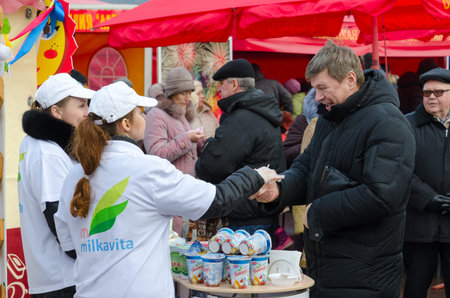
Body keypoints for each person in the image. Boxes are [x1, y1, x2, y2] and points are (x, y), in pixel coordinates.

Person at [53, 81, 281, 298]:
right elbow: (215, 201)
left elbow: (69, 246)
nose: (145, 117)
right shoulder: (148, 169)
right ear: (126, 124)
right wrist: (254, 175)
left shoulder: (74, 175)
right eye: (141, 113)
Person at [253, 41, 415, 297]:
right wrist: (280, 189)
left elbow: (382, 196)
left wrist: (317, 212)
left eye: (322, 88)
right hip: (328, 267)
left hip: (366, 275)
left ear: (351, 79)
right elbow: (307, 167)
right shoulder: (332, 116)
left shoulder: (388, 122)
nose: (317, 97)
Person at [18, 73, 95, 297]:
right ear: (56, 111)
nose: (87, 112)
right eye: (81, 105)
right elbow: (55, 214)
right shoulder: (47, 151)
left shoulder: (37, 143)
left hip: (51, 276)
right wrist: (89, 254)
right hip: (63, 278)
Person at [195, 58, 286, 243]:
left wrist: (208, 146)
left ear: (234, 84)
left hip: (245, 217)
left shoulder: (241, 118)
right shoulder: (261, 112)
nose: (218, 89)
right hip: (262, 212)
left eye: (221, 84)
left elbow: (210, 167)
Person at [403, 67, 450, 298]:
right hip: (419, 225)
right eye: (426, 93)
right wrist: (427, 197)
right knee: (415, 287)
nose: (431, 97)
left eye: (439, 92)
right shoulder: (407, 125)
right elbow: (401, 170)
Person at [144, 67, 204, 236]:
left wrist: (201, 142)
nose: (188, 97)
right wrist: (187, 139)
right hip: (170, 195)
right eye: (183, 93)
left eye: (190, 92)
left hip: (184, 195)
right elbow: (156, 153)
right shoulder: (156, 114)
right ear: (172, 92)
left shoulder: (181, 113)